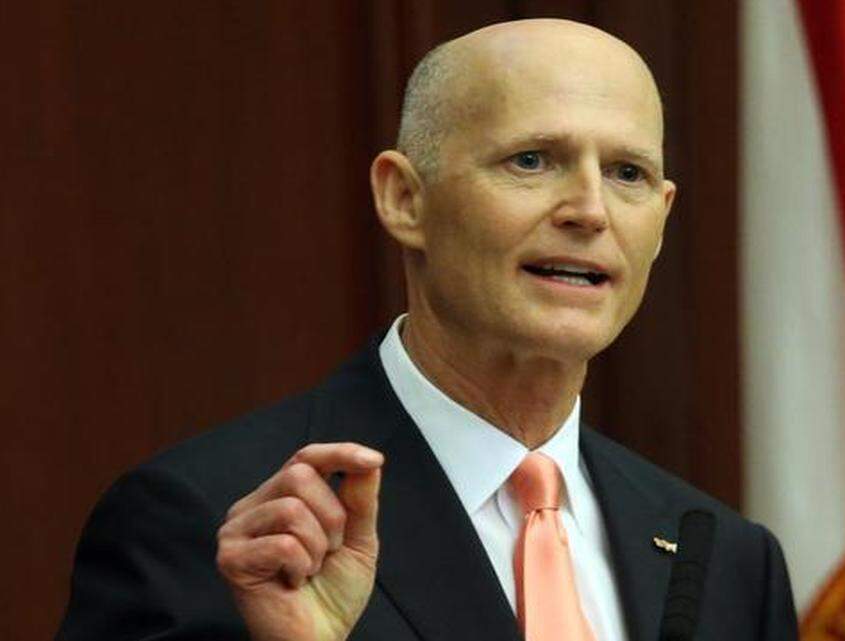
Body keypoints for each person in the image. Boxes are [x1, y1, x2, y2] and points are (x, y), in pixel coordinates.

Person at [58, 18, 797, 641]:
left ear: (662, 220)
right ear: (404, 198)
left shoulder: (730, 560)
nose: (590, 210)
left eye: (628, 173)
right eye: (533, 160)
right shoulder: (212, 523)